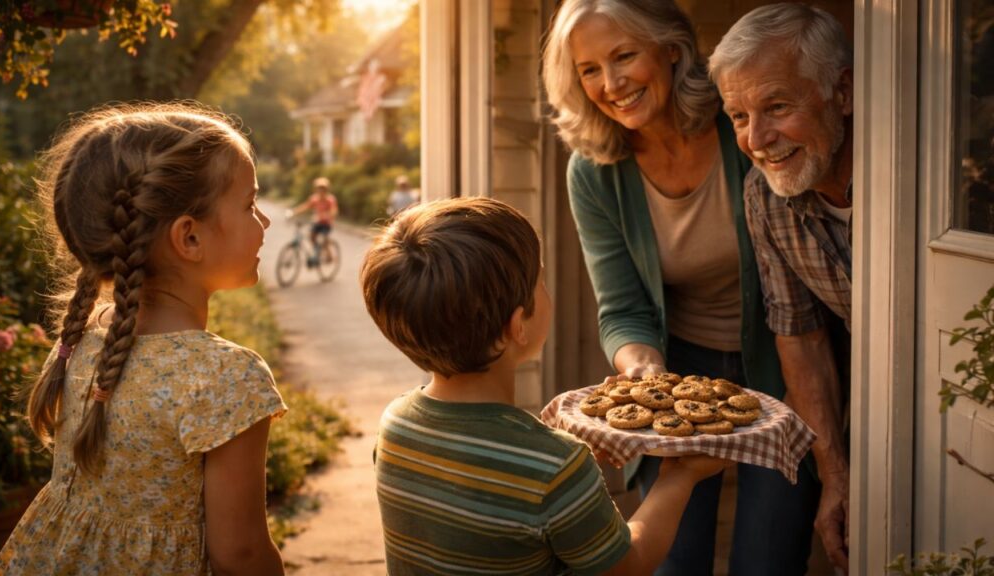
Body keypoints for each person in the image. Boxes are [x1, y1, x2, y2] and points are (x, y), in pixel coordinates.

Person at [541, 1, 819, 574]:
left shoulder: (738, 125)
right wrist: (641, 370)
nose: (610, 84)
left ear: (670, 49)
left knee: (768, 557)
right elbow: (621, 307)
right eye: (589, 69)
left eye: (624, 56)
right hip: (677, 370)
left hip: (782, 362)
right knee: (673, 559)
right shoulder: (593, 172)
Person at [0, 103, 287, 576]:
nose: (264, 222)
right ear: (189, 238)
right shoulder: (226, 378)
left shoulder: (86, 339)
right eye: (249, 205)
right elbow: (241, 556)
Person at [360, 197, 731, 575]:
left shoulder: (394, 425)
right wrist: (678, 478)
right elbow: (627, 566)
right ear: (517, 325)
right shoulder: (557, 467)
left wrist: (554, 444)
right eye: (541, 281)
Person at [708, 3, 854, 572]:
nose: (757, 138)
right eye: (739, 116)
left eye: (776, 106)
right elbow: (800, 336)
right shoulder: (763, 196)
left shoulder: (916, 167)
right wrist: (836, 478)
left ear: (841, 92)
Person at [292, 175, 339, 263]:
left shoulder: (330, 199)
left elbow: (334, 210)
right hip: (317, 222)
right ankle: (317, 251)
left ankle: (329, 255)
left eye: (323, 188)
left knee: (324, 239)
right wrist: (294, 212)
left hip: (326, 223)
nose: (321, 190)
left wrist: (327, 215)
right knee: (311, 236)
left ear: (326, 189)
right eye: (319, 188)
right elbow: (306, 206)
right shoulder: (314, 199)